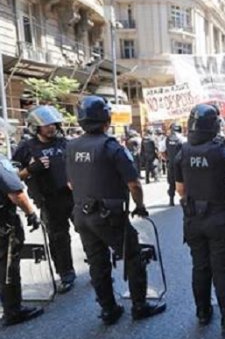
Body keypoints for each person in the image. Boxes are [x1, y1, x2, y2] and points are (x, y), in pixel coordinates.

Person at [66, 96, 166, 325]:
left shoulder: (71, 147)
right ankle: (139, 306)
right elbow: (134, 184)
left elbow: (71, 184)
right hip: (109, 217)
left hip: (82, 215)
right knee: (133, 257)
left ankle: (108, 309)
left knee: (97, 263)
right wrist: (139, 206)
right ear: (106, 119)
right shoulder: (110, 147)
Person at [174, 104, 225, 335]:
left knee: (200, 266)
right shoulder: (222, 152)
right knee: (222, 269)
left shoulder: (181, 153)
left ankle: (203, 313)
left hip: (193, 219)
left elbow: (180, 190)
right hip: (218, 219)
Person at [12, 106, 76, 294]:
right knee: (58, 239)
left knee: (89, 230)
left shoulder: (66, 143)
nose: (51, 128)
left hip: (73, 196)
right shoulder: (26, 148)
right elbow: (14, 177)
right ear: (36, 128)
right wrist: (31, 169)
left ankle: (97, 267)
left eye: (53, 124)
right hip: (49, 200)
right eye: (46, 125)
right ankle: (66, 273)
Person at [0, 118, 44, 326]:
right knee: (8, 265)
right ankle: (13, 310)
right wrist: (31, 213)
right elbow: (16, 193)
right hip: (3, 223)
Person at [162, 123, 185, 206]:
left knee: (171, 182)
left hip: (171, 164)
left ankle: (171, 200)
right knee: (183, 181)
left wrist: (168, 159)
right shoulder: (183, 139)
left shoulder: (166, 139)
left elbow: (162, 151)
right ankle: (184, 200)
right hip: (181, 164)